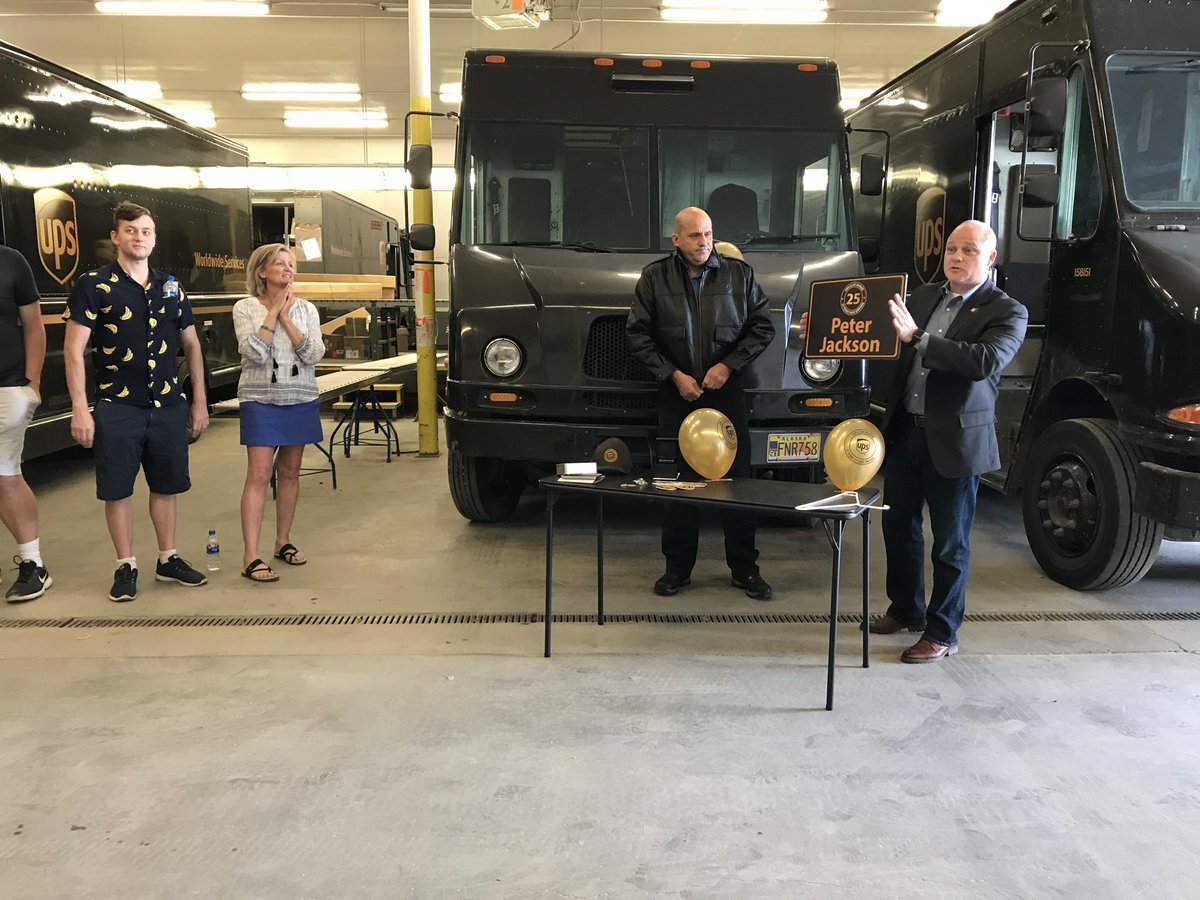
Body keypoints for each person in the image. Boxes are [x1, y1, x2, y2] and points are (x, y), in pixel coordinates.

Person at [804, 220, 1027, 662]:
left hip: (955, 443)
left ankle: (942, 632)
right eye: (951, 249)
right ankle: (906, 609)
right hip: (907, 432)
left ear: (990, 259)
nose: (956, 257)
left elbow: (983, 361)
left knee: (949, 544)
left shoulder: (1006, 311)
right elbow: (877, 335)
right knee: (898, 528)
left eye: (968, 250)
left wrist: (919, 338)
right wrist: (824, 327)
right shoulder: (922, 296)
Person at [64, 201, 210, 602]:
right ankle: (125, 565)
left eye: (146, 231)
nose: (139, 237)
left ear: (154, 238)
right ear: (116, 237)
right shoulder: (94, 285)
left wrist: (199, 402)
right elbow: (74, 349)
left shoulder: (171, 286)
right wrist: (80, 407)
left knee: (167, 485)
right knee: (118, 489)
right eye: (130, 230)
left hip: (167, 405)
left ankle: (168, 558)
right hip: (117, 407)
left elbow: (192, 345)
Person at [627, 207, 776, 599]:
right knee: (680, 486)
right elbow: (638, 335)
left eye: (708, 234)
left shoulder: (739, 276)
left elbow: (763, 327)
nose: (704, 243)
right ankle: (677, 569)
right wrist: (673, 375)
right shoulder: (654, 278)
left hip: (726, 394)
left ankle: (745, 570)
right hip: (677, 394)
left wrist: (728, 366)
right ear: (675, 239)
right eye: (694, 236)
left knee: (737, 484)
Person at [232, 244, 325, 582]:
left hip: (299, 397)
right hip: (260, 399)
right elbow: (254, 352)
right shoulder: (245, 308)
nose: (288, 269)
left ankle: (282, 541)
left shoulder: (307, 310)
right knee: (258, 474)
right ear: (262, 272)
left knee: (290, 472)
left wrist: (286, 314)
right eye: (280, 264)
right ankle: (250, 556)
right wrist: (272, 311)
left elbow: (314, 353)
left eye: (291, 264)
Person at [0, 244, 51, 602]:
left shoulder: (10, 261)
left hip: (7, 387)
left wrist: (31, 384)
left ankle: (34, 565)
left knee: (5, 474)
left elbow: (33, 326)